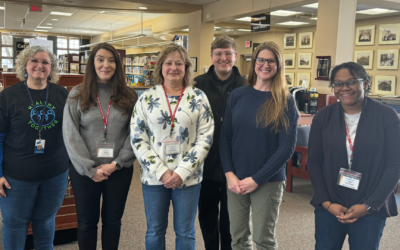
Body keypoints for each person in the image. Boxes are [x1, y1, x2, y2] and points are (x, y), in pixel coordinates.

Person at [308, 62, 400, 250]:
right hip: (330, 204)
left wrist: (368, 206)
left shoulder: (387, 116)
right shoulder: (323, 117)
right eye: (338, 83)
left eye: (351, 81)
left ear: (365, 83)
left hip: (370, 206)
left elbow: (395, 166)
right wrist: (326, 203)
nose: (344, 88)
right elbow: (315, 162)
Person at [131, 44, 214, 250]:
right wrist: (161, 172)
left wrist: (182, 172)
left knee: (185, 231)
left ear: (186, 67)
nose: (173, 67)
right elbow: (137, 138)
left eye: (179, 63)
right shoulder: (147, 97)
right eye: (168, 63)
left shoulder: (198, 97)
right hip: (154, 177)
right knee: (155, 230)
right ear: (160, 67)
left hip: (189, 177)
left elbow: (206, 136)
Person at [220, 41, 299, 250]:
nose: (265, 65)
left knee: (263, 240)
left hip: (268, 180)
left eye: (270, 61)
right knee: (237, 238)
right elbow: (225, 138)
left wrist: (257, 179)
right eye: (261, 60)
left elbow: (286, 149)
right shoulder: (238, 95)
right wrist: (229, 173)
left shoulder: (285, 100)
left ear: (278, 64)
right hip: (236, 179)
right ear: (254, 63)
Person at [63, 43, 137, 250]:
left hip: (119, 170)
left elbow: (136, 134)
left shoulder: (130, 95)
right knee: (87, 223)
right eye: (101, 59)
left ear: (118, 65)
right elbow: (70, 134)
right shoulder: (76, 94)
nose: (106, 65)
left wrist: (117, 163)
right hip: (85, 172)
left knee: (113, 222)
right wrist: (88, 168)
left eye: (112, 60)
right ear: (92, 63)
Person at [0, 45, 69, 249]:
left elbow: (70, 135)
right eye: (34, 61)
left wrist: (71, 167)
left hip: (55, 174)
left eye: (45, 62)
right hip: (16, 177)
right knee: (15, 224)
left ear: (52, 68)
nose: (40, 65)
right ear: (25, 65)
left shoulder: (62, 94)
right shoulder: (8, 96)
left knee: (45, 221)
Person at [194, 35, 245, 250]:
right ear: (211, 56)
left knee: (231, 219)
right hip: (206, 163)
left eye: (228, 53)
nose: (223, 58)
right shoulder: (197, 84)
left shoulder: (247, 85)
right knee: (206, 216)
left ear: (235, 56)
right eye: (218, 53)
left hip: (236, 165)